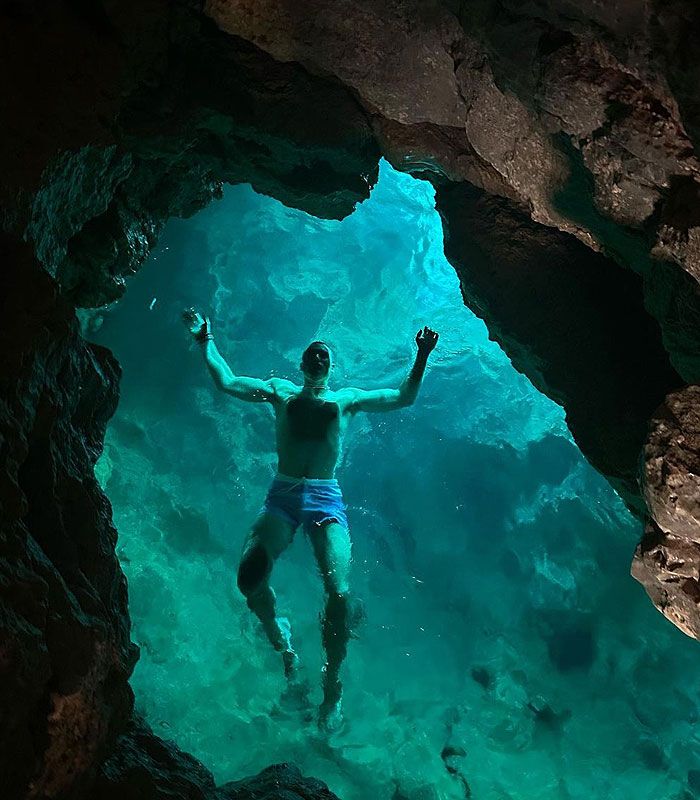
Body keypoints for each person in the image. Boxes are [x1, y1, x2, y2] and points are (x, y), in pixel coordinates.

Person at [183, 308, 438, 730]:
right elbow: (227, 382)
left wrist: (422, 356)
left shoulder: (346, 400)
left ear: (330, 369)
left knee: (338, 594)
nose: (318, 358)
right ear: (302, 365)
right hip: (282, 493)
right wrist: (204, 338)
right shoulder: (279, 393)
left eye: (324, 356)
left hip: (324, 496)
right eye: (312, 354)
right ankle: (283, 646)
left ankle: (332, 684)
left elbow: (402, 397)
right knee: (249, 577)